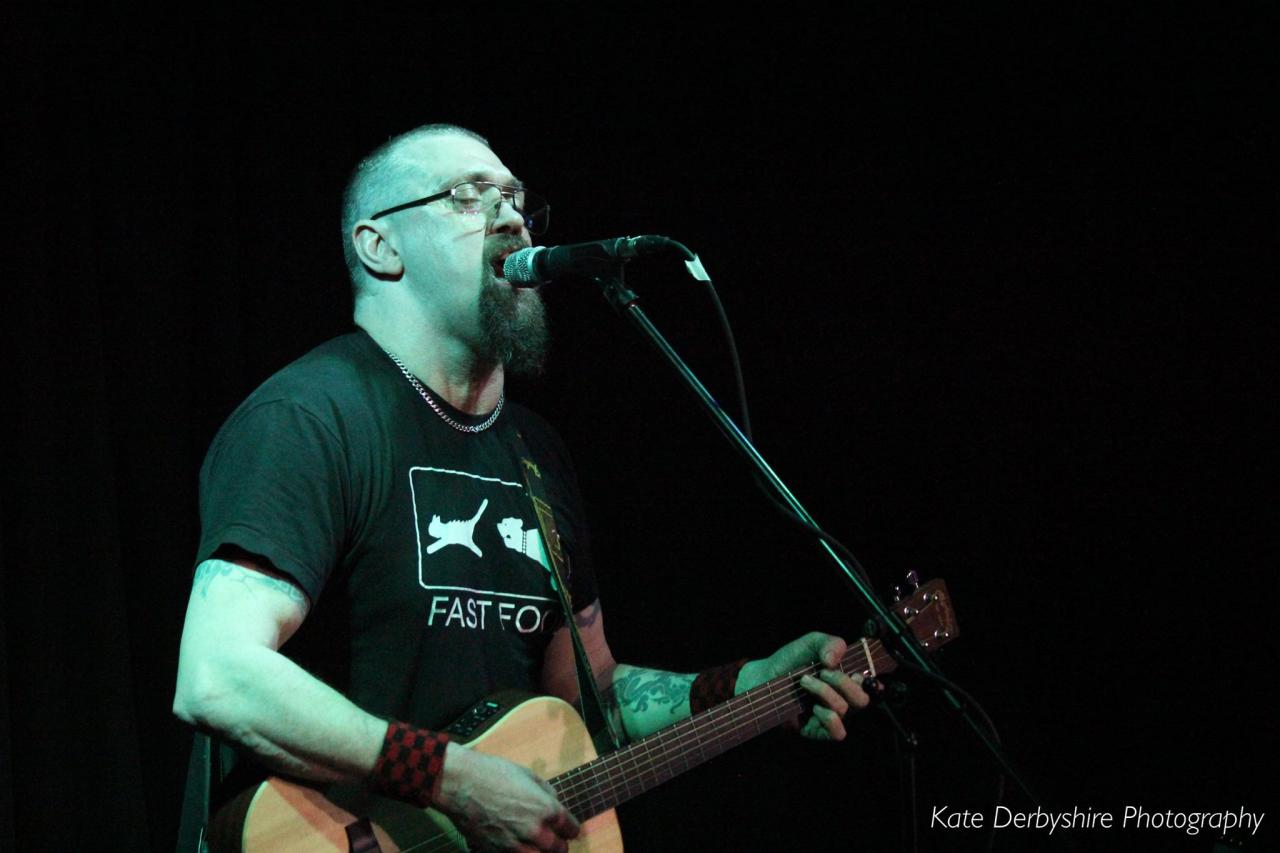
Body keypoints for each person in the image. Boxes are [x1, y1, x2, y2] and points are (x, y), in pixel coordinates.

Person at [173, 123, 869, 852]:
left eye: (514, 198)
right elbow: (217, 675)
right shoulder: (311, 419)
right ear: (380, 247)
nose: (509, 216)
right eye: (467, 196)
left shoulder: (537, 453)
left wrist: (752, 684)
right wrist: (453, 779)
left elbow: (592, 697)